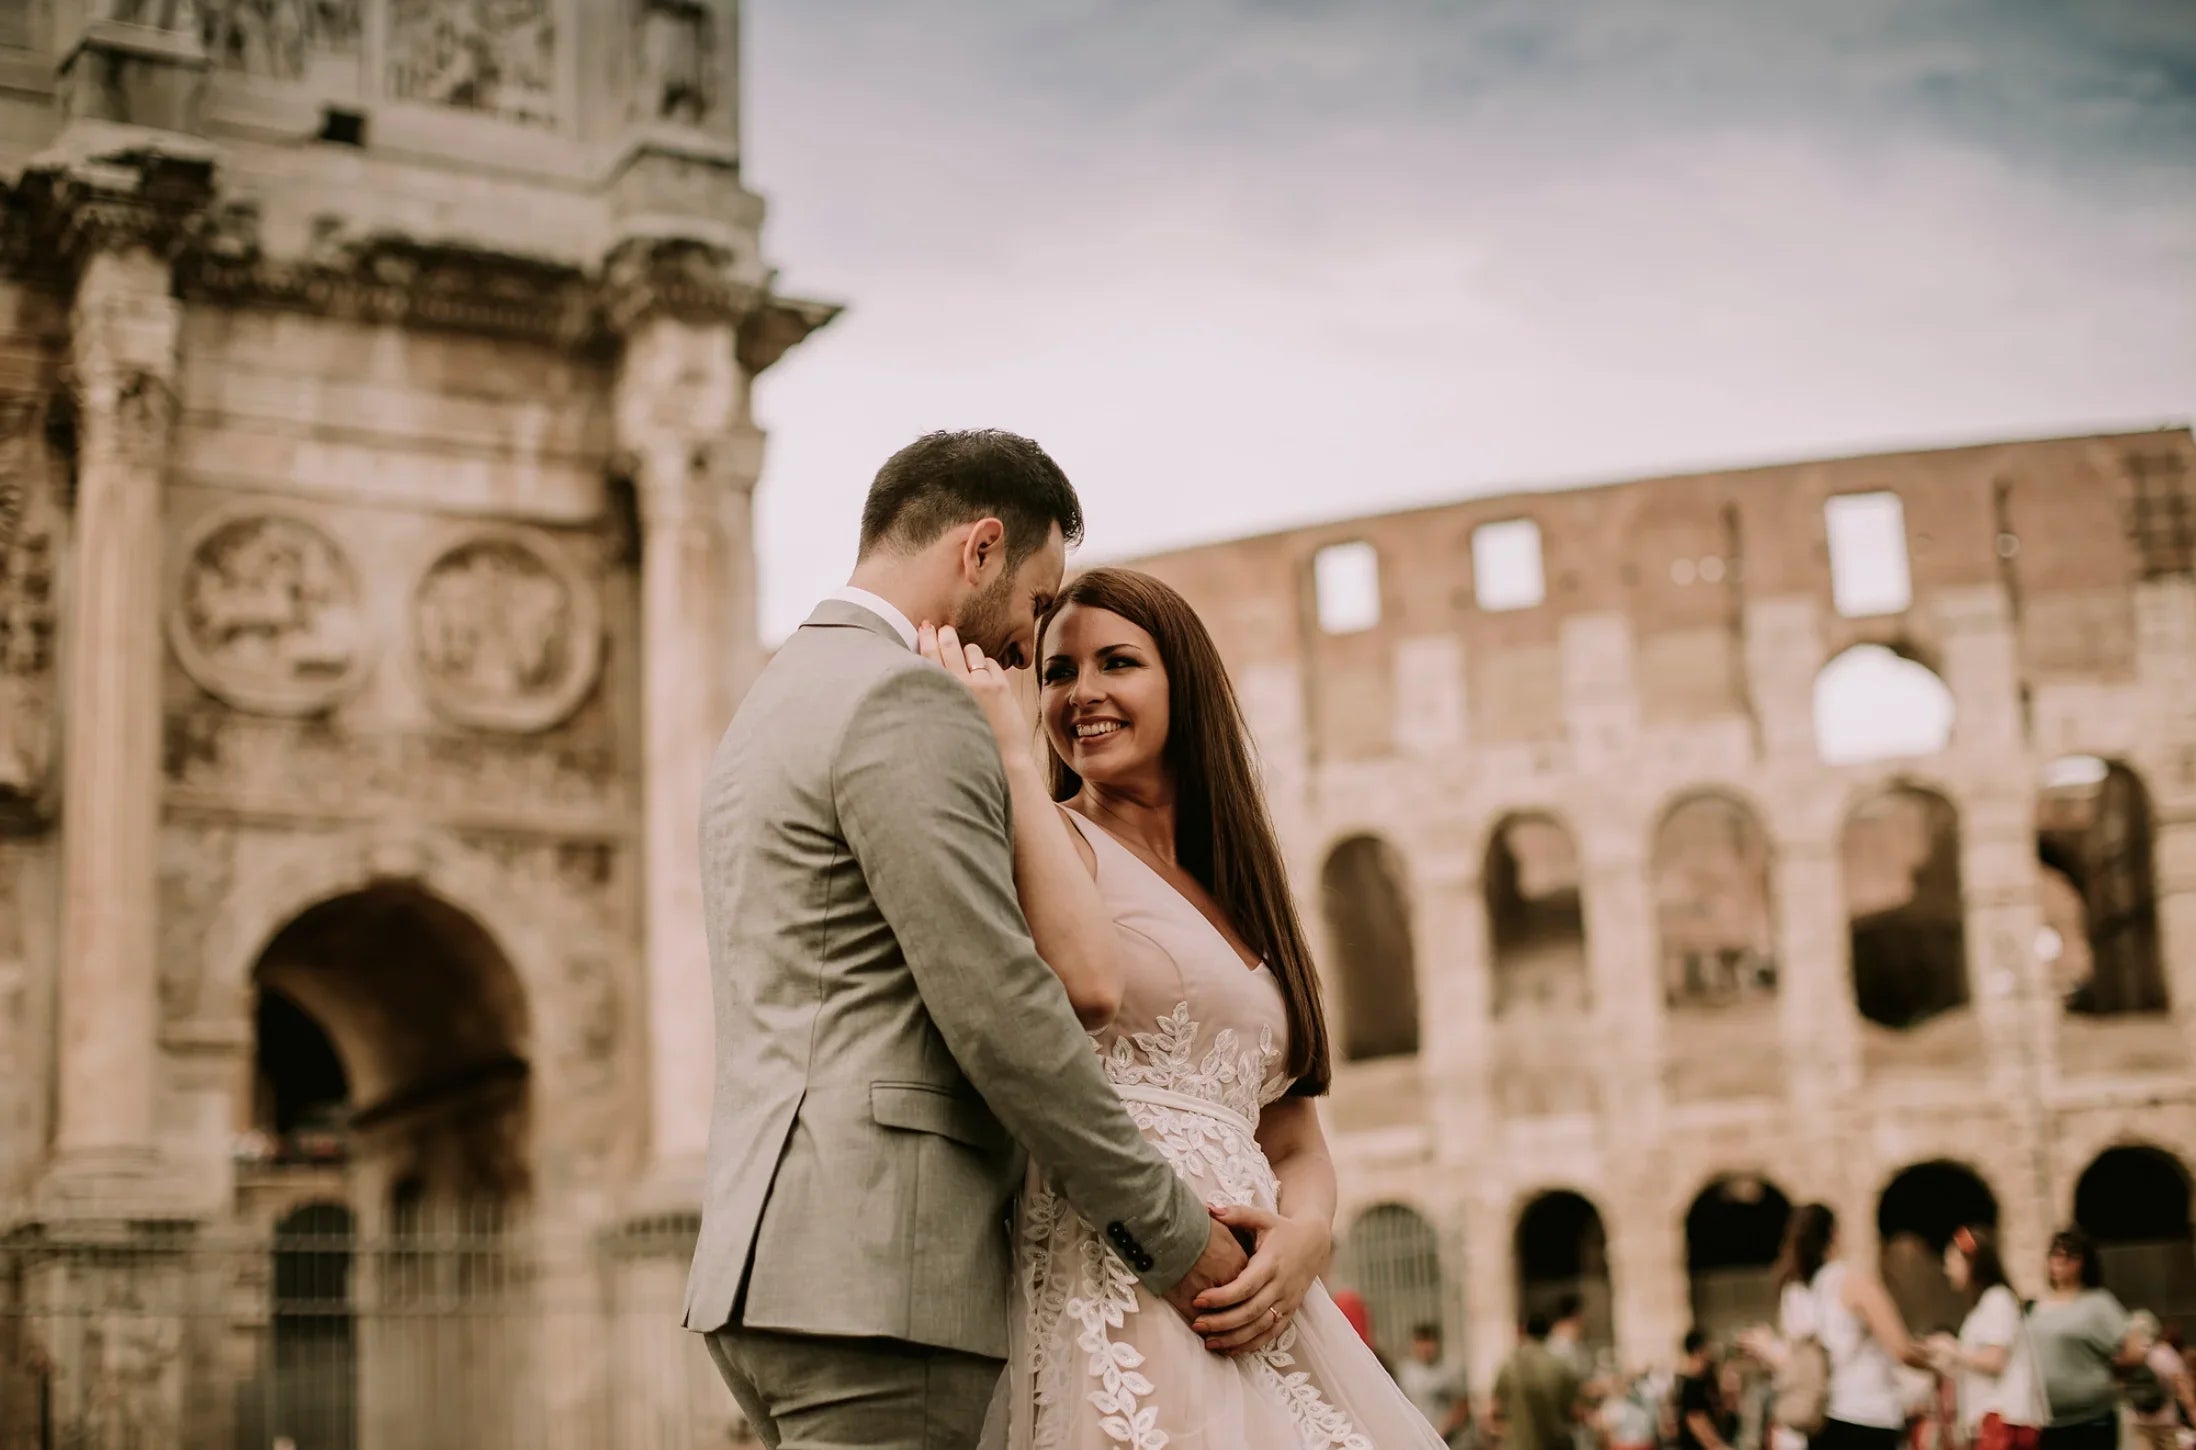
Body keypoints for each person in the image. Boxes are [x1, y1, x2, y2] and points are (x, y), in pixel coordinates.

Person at [681, 432, 1252, 1448]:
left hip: (771, 1267)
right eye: (1038, 606)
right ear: (979, 547)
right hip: (881, 1272)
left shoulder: (774, 699)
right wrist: (1171, 1233)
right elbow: (1001, 1010)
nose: (1030, 649)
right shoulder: (906, 697)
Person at [968, 564, 1449, 1444]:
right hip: (1122, 1279)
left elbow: (1293, 1136)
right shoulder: (1053, 836)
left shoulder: (1244, 887)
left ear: (1181, 681)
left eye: (1117, 663)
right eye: (1058, 672)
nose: (1083, 694)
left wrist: (1306, 1234)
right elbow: (1080, 987)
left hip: (1265, 1298)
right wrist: (1006, 760)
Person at [1741, 1203, 1931, 1450]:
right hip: (1869, 1415)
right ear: (1834, 1235)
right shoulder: (1854, 1283)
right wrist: (1937, 1362)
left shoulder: (1794, 1294)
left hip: (1821, 1419)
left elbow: (1794, 1359)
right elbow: (1902, 1350)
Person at [1925, 1225, 2043, 1450]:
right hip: (1990, 1422)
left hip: (2003, 1420)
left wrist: (1951, 1349)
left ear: (1971, 1263)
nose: (1947, 1269)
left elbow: (1994, 1360)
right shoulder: (1984, 1306)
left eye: (1952, 1261)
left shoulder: (1998, 1299)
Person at [2027, 1228, 2140, 1450]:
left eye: (2070, 1255)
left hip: (2091, 1419)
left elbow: (2134, 1348)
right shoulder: (2036, 1308)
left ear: (2083, 1262)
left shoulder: (2098, 1303)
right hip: (2048, 1422)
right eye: (2055, 1254)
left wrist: (2116, 1371)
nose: (2061, 1261)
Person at [1496, 1314, 1586, 1450]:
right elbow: (1574, 1410)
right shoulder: (1559, 1366)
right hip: (1554, 1444)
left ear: (1526, 1331)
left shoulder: (1509, 1367)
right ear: (1549, 1331)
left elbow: (1495, 1409)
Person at [1398, 1322, 1477, 1448]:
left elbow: (1461, 1407)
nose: (1425, 1348)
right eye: (1421, 1342)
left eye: (1429, 1342)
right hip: (1420, 1439)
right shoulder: (1406, 1372)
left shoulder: (1451, 1369)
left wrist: (1442, 1432)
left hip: (1451, 1440)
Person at [2124, 1311, 2188, 1450]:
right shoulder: (2165, 1353)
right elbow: (2182, 1388)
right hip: (2165, 1422)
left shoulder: (2129, 1355)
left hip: (2138, 1420)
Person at [1675, 1330, 1733, 1450]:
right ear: (1698, 1351)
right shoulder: (1692, 1384)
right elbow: (1696, 1421)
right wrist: (1718, 1446)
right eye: (1708, 1347)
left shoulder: (1703, 1380)